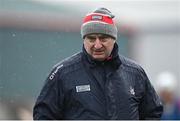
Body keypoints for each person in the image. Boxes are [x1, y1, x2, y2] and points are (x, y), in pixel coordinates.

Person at [33, 7, 163, 120]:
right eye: (91, 38)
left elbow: (153, 113)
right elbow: (43, 115)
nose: (97, 44)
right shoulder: (62, 73)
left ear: (113, 39)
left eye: (103, 38)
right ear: (84, 39)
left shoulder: (135, 73)